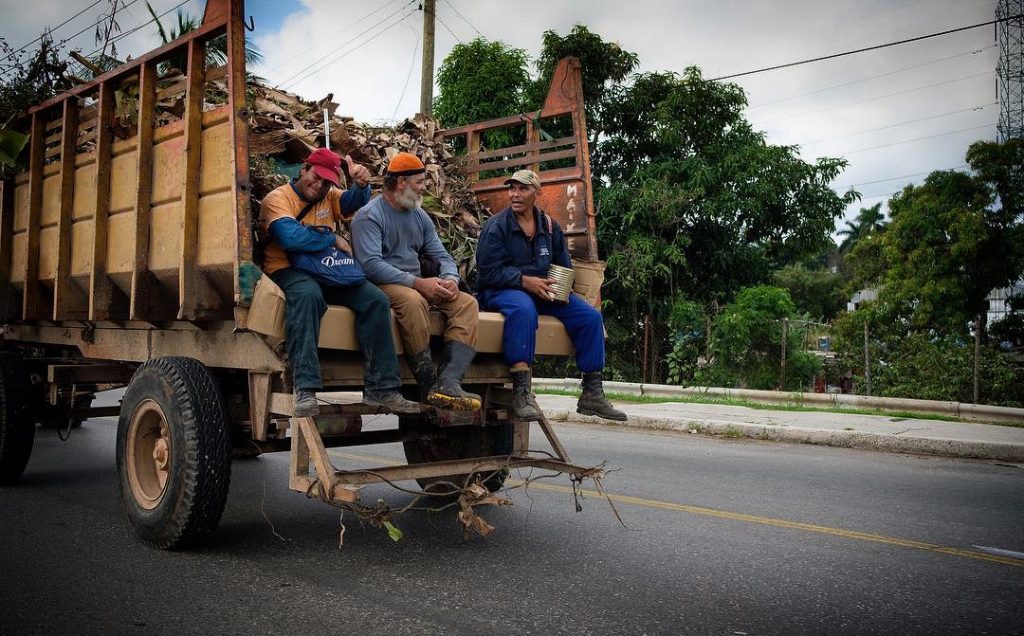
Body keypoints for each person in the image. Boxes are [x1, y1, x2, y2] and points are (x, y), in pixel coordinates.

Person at [259, 147, 419, 418]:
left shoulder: (329, 196)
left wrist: (361, 184)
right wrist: (331, 238)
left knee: (375, 300)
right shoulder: (277, 199)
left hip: (327, 269)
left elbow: (352, 202)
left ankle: (382, 387)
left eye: (326, 182)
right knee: (308, 295)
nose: (319, 185)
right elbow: (291, 239)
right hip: (286, 269)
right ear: (304, 169)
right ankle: (306, 387)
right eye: (316, 177)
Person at [475, 169, 626, 422]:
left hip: (541, 291)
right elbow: (488, 273)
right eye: (512, 189)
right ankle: (521, 392)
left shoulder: (548, 226)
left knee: (589, 317)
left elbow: (563, 265)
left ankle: (592, 392)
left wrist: (561, 290)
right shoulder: (496, 227)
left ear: (537, 192)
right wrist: (524, 281)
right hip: (502, 291)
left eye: (522, 188)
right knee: (523, 311)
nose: (515, 194)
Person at [351, 152, 481, 411]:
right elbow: (371, 265)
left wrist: (450, 279)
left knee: (466, 304)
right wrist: (417, 283)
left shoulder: (419, 215)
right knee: (412, 302)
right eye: (420, 182)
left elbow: (441, 255)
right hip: (382, 283)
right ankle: (426, 382)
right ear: (401, 183)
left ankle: (448, 381)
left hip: (417, 282)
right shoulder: (369, 216)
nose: (424, 188)